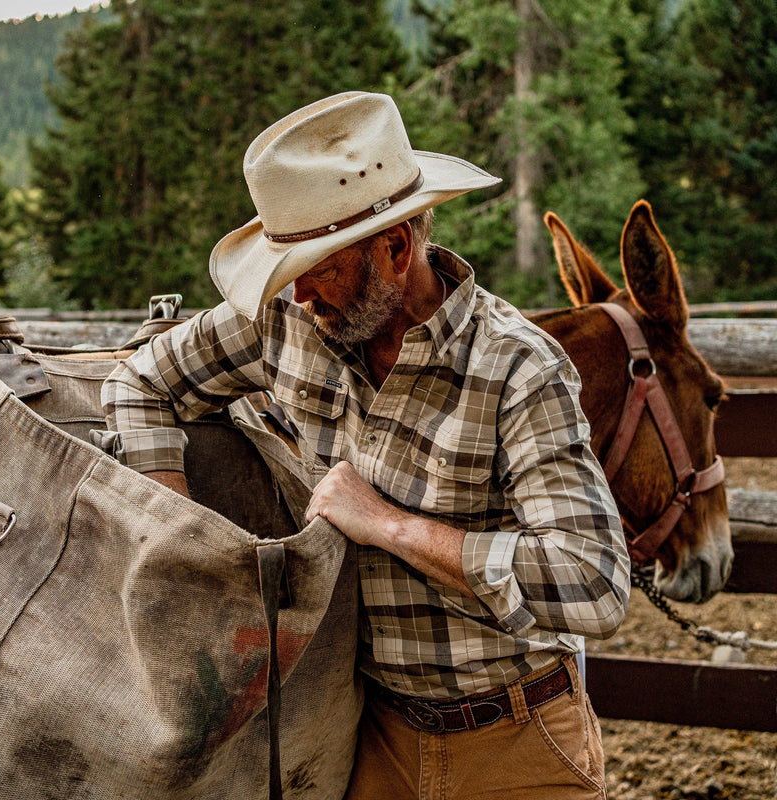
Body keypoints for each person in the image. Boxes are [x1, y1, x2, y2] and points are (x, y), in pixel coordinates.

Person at [102, 91, 630, 799]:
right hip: (365, 739)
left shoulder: (517, 369)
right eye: (285, 272)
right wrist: (181, 531)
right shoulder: (285, 322)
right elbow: (140, 382)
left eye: (316, 269)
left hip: (517, 743)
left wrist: (389, 525)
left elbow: (593, 582)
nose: (296, 297)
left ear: (395, 247)